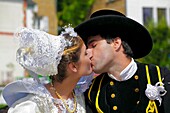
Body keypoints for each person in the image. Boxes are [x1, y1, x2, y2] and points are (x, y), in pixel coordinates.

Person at [74, 9, 170, 113]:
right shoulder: (92, 92)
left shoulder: (160, 76)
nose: (88, 53)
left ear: (116, 43)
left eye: (93, 45)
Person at [2, 26, 93, 113]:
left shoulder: (80, 97)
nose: (90, 54)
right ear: (73, 66)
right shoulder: (32, 106)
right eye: (85, 53)